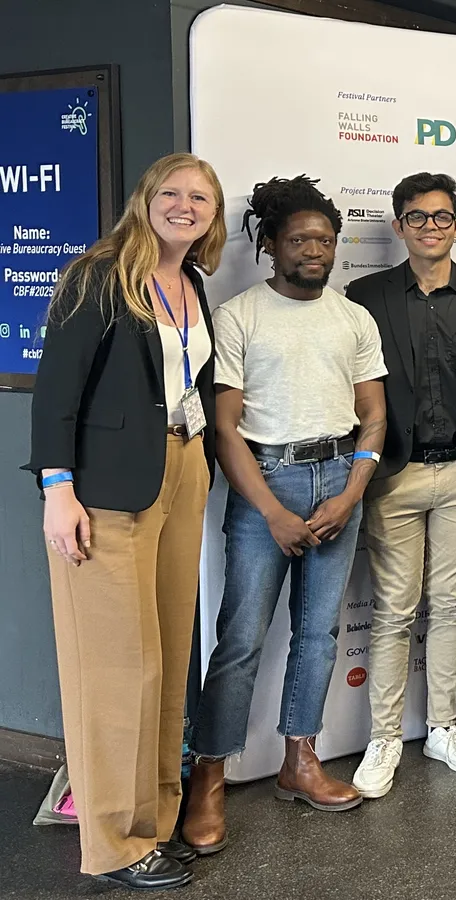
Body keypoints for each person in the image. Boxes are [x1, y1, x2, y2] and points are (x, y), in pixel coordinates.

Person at [27, 152, 225, 891]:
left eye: (199, 197)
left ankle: (158, 819)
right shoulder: (99, 275)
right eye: (170, 192)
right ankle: (113, 840)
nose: (184, 205)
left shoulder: (193, 282)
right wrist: (57, 488)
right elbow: (56, 394)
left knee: (171, 656)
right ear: (145, 200)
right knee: (115, 668)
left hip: (182, 469)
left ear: (214, 213)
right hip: (106, 488)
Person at [184, 176, 388, 851]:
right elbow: (225, 429)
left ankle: (300, 760)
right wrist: (269, 510)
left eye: (325, 240)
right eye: (299, 239)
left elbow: (374, 414)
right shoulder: (239, 315)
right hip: (264, 481)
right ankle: (209, 775)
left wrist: (352, 492)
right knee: (241, 638)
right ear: (270, 244)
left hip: (339, 480)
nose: (315, 250)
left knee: (320, 635)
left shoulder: (353, 318)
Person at [345, 173, 456, 798]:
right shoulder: (364, 296)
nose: (430, 228)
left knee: (451, 606)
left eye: (442, 217)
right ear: (399, 227)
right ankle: (385, 737)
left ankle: (444, 726)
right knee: (393, 609)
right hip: (393, 473)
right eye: (417, 218)